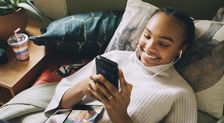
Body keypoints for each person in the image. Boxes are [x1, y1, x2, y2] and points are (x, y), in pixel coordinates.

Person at [44, 7, 197, 123]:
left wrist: (120, 115)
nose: (149, 46)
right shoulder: (114, 57)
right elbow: (60, 104)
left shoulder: (180, 93)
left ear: (180, 49)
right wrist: (83, 87)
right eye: (147, 35)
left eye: (163, 44)